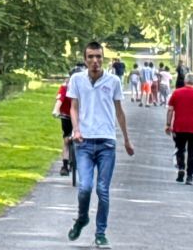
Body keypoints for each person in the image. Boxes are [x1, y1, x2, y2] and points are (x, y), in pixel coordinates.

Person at [66, 42, 133, 248]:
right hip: (84, 142)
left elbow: (119, 111)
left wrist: (127, 140)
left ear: (103, 58)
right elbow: (73, 108)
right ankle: (82, 217)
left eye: (98, 57)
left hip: (106, 142)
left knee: (103, 190)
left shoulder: (113, 81)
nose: (95, 61)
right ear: (85, 59)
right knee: (85, 187)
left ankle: (101, 233)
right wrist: (76, 129)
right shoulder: (76, 79)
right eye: (91, 57)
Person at [166, 73, 193, 185]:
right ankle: (190, 176)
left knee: (180, 148)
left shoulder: (176, 93)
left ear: (185, 81)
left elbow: (170, 110)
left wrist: (168, 124)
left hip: (179, 126)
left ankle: (181, 168)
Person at [52, 64, 85, 177]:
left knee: (82, 139)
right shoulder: (65, 87)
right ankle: (65, 165)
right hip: (66, 115)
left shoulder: (85, 88)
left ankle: (82, 163)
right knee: (66, 140)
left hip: (80, 116)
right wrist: (56, 110)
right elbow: (59, 100)